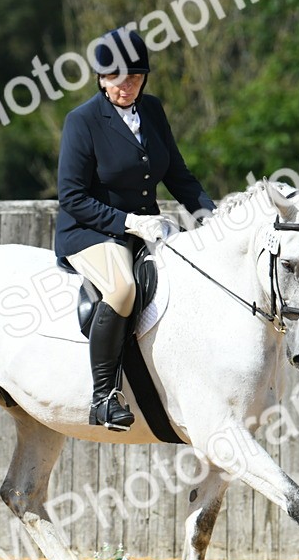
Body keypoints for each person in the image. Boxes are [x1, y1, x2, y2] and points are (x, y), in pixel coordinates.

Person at [54, 27, 216, 431]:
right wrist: (128, 222)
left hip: (144, 230)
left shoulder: (154, 111)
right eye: (115, 79)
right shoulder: (82, 121)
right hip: (90, 232)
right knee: (123, 288)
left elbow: (178, 175)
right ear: (100, 78)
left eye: (134, 78)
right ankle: (104, 397)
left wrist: (212, 219)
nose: (125, 87)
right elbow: (71, 197)